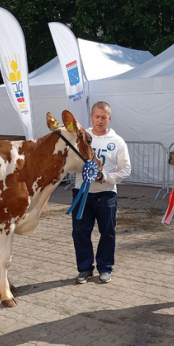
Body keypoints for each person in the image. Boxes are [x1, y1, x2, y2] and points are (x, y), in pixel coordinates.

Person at [72, 102, 131, 284]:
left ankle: (105, 268)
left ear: (109, 118)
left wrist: (106, 177)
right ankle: (85, 269)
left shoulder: (117, 141)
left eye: (104, 117)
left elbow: (126, 169)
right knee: (80, 232)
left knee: (107, 233)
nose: (100, 120)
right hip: (82, 193)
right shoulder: (82, 137)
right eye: (97, 116)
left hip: (106, 194)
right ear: (91, 117)